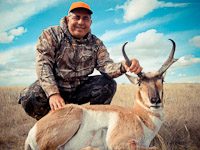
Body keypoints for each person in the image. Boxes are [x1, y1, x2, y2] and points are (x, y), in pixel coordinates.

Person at [18, 1, 143, 120]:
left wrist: (123, 66)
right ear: (67, 20)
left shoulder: (97, 43)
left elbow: (106, 67)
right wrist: (53, 93)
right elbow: (43, 64)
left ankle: (93, 124)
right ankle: (51, 125)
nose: (81, 22)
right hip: (57, 88)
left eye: (85, 19)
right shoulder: (51, 34)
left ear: (90, 22)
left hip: (80, 90)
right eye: (76, 17)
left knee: (108, 84)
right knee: (30, 96)